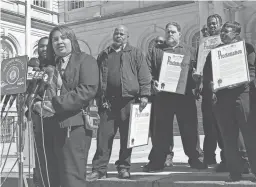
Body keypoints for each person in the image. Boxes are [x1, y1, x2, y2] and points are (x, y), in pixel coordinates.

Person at [32, 25, 99, 187]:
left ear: (72, 40)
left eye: (63, 38)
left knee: (72, 178)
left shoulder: (85, 60)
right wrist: (37, 104)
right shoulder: (47, 67)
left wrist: (55, 105)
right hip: (47, 127)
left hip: (73, 127)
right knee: (49, 176)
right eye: (55, 39)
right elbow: (36, 92)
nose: (59, 42)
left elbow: (87, 90)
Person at [86, 25, 151, 181]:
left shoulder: (135, 53)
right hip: (107, 103)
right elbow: (97, 77)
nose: (118, 36)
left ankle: (124, 167)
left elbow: (144, 75)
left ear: (127, 37)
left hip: (129, 101)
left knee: (127, 137)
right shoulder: (104, 55)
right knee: (103, 137)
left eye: (122, 34)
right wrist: (97, 97)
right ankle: (99, 169)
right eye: (116, 33)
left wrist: (145, 95)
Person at [143, 22, 207, 172]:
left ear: (179, 33)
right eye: (167, 32)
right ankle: (158, 161)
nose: (169, 34)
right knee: (161, 130)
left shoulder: (190, 51)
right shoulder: (155, 51)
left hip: (184, 96)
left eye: (173, 32)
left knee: (189, 128)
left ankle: (195, 158)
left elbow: (198, 72)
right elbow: (147, 71)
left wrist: (197, 79)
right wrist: (153, 82)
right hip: (163, 96)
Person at [196, 15, 250, 173]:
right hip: (219, 97)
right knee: (224, 132)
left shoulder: (243, 49)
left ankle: (246, 162)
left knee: (243, 131)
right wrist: (209, 85)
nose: (222, 34)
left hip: (240, 95)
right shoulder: (212, 52)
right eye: (222, 32)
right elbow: (207, 73)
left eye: (226, 32)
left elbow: (250, 71)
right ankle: (230, 164)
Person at [26, 36, 60, 187]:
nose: (44, 49)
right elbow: (26, 91)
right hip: (37, 114)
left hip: (56, 114)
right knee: (40, 152)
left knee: (55, 152)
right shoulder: (33, 66)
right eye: (40, 46)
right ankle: (40, 182)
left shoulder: (58, 64)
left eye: (46, 46)